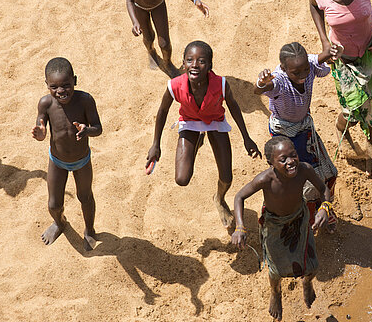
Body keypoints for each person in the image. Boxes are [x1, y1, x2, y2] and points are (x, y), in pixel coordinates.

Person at [146, 40, 261, 227]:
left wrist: (247, 138)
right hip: (190, 122)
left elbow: (233, 106)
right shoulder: (174, 85)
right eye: (189, 60)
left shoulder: (221, 84)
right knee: (182, 179)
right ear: (183, 63)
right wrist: (155, 144)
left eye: (201, 61)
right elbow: (163, 111)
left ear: (209, 66)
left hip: (215, 122)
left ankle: (219, 198)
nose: (194, 65)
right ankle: (198, 138)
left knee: (227, 177)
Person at [231, 136, 333, 321]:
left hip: (300, 220)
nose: (291, 162)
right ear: (271, 163)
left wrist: (325, 208)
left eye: (293, 155)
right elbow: (239, 197)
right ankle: (275, 292)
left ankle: (307, 283)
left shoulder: (305, 170)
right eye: (283, 159)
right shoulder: (265, 179)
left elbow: (323, 188)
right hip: (275, 226)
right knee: (276, 270)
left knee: (312, 265)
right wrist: (240, 227)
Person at [309, 0, 372, 177]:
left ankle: (371, 144)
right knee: (353, 107)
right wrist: (324, 41)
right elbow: (313, 6)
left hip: (369, 54)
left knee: (370, 101)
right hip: (342, 60)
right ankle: (342, 128)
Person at [255, 42, 341, 229]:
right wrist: (262, 82)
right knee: (300, 180)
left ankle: (325, 208)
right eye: (297, 73)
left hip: (304, 128)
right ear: (285, 69)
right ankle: (309, 219)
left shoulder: (307, 65)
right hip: (286, 134)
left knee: (328, 172)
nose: (303, 75)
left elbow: (322, 56)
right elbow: (259, 90)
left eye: (305, 70)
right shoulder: (278, 81)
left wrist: (335, 51)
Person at [32, 57, 102, 250]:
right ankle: (59, 222)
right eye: (54, 87)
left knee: (85, 197)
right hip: (57, 161)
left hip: (82, 161)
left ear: (75, 81)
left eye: (66, 85)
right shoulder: (45, 104)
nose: (60, 91)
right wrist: (41, 134)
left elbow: (98, 128)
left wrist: (87, 130)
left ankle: (89, 230)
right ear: (47, 85)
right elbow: (41, 127)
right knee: (54, 204)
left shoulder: (85, 100)